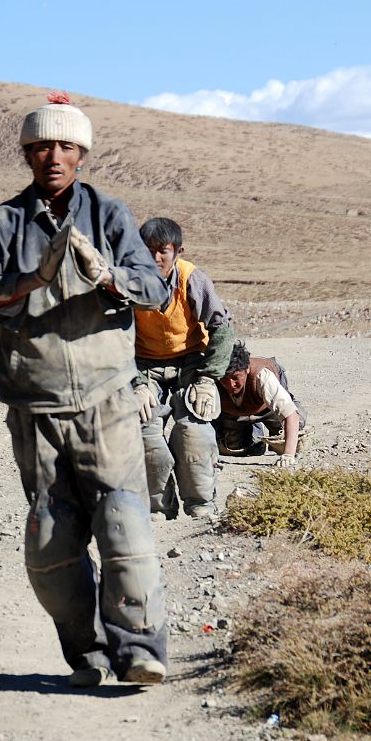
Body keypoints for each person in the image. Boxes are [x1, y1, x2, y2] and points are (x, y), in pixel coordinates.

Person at [0, 93, 171, 686]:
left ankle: (140, 651)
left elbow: (153, 289)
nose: (55, 156)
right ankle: (90, 655)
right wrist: (34, 277)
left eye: (67, 147)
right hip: (36, 409)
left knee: (125, 524)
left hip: (107, 399)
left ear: (82, 154)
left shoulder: (110, 214)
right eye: (43, 146)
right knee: (51, 544)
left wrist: (109, 275)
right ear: (28, 154)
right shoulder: (3, 223)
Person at [132, 217, 234, 521]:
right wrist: (134, 383)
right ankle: (159, 505)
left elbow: (223, 328)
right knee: (145, 428)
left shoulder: (193, 279)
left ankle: (200, 501)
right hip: (145, 366)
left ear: (178, 250)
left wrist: (208, 378)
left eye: (163, 250)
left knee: (194, 431)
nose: (155, 258)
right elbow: (114, 337)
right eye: (147, 250)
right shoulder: (128, 284)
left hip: (191, 362)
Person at [216, 341, 310, 467]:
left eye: (235, 378)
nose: (230, 384)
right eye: (224, 379)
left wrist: (288, 455)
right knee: (234, 448)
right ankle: (256, 433)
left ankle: (269, 430)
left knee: (292, 438)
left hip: (268, 409)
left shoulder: (262, 375)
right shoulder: (213, 378)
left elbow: (290, 415)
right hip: (236, 413)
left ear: (247, 369)